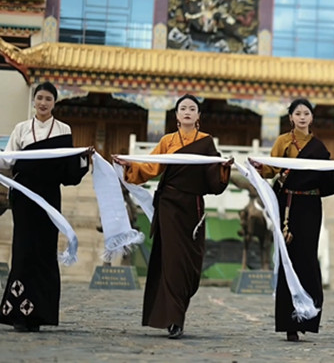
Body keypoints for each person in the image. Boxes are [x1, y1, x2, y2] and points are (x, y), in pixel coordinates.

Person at [113, 94, 232, 339]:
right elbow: (150, 167)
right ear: (176, 115)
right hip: (168, 205)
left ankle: (177, 312)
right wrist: (129, 165)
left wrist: (223, 168)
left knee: (189, 264)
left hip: (192, 207)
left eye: (192, 108)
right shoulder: (167, 141)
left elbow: (214, 178)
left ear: (198, 116)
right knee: (171, 261)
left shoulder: (206, 142)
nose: (187, 112)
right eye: (183, 108)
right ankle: (174, 320)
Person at [249, 98, 334, 342]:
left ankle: (307, 315)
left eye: (306, 113)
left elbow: (328, 175)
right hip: (288, 205)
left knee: (307, 259)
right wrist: (259, 167)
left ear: (311, 117)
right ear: (291, 117)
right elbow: (271, 169)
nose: (302, 117)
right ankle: (289, 323)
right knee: (289, 260)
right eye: (298, 113)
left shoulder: (318, 147)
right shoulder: (283, 142)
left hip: (310, 207)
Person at [0, 82, 91, 332]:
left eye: (48, 99)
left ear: (54, 103)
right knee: (23, 250)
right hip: (24, 196)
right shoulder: (21, 129)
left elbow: (67, 168)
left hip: (49, 196)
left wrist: (84, 157)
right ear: (34, 100)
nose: (43, 103)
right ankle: (19, 314)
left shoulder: (63, 129)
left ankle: (40, 313)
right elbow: (8, 161)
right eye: (39, 97)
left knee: (45, 250)